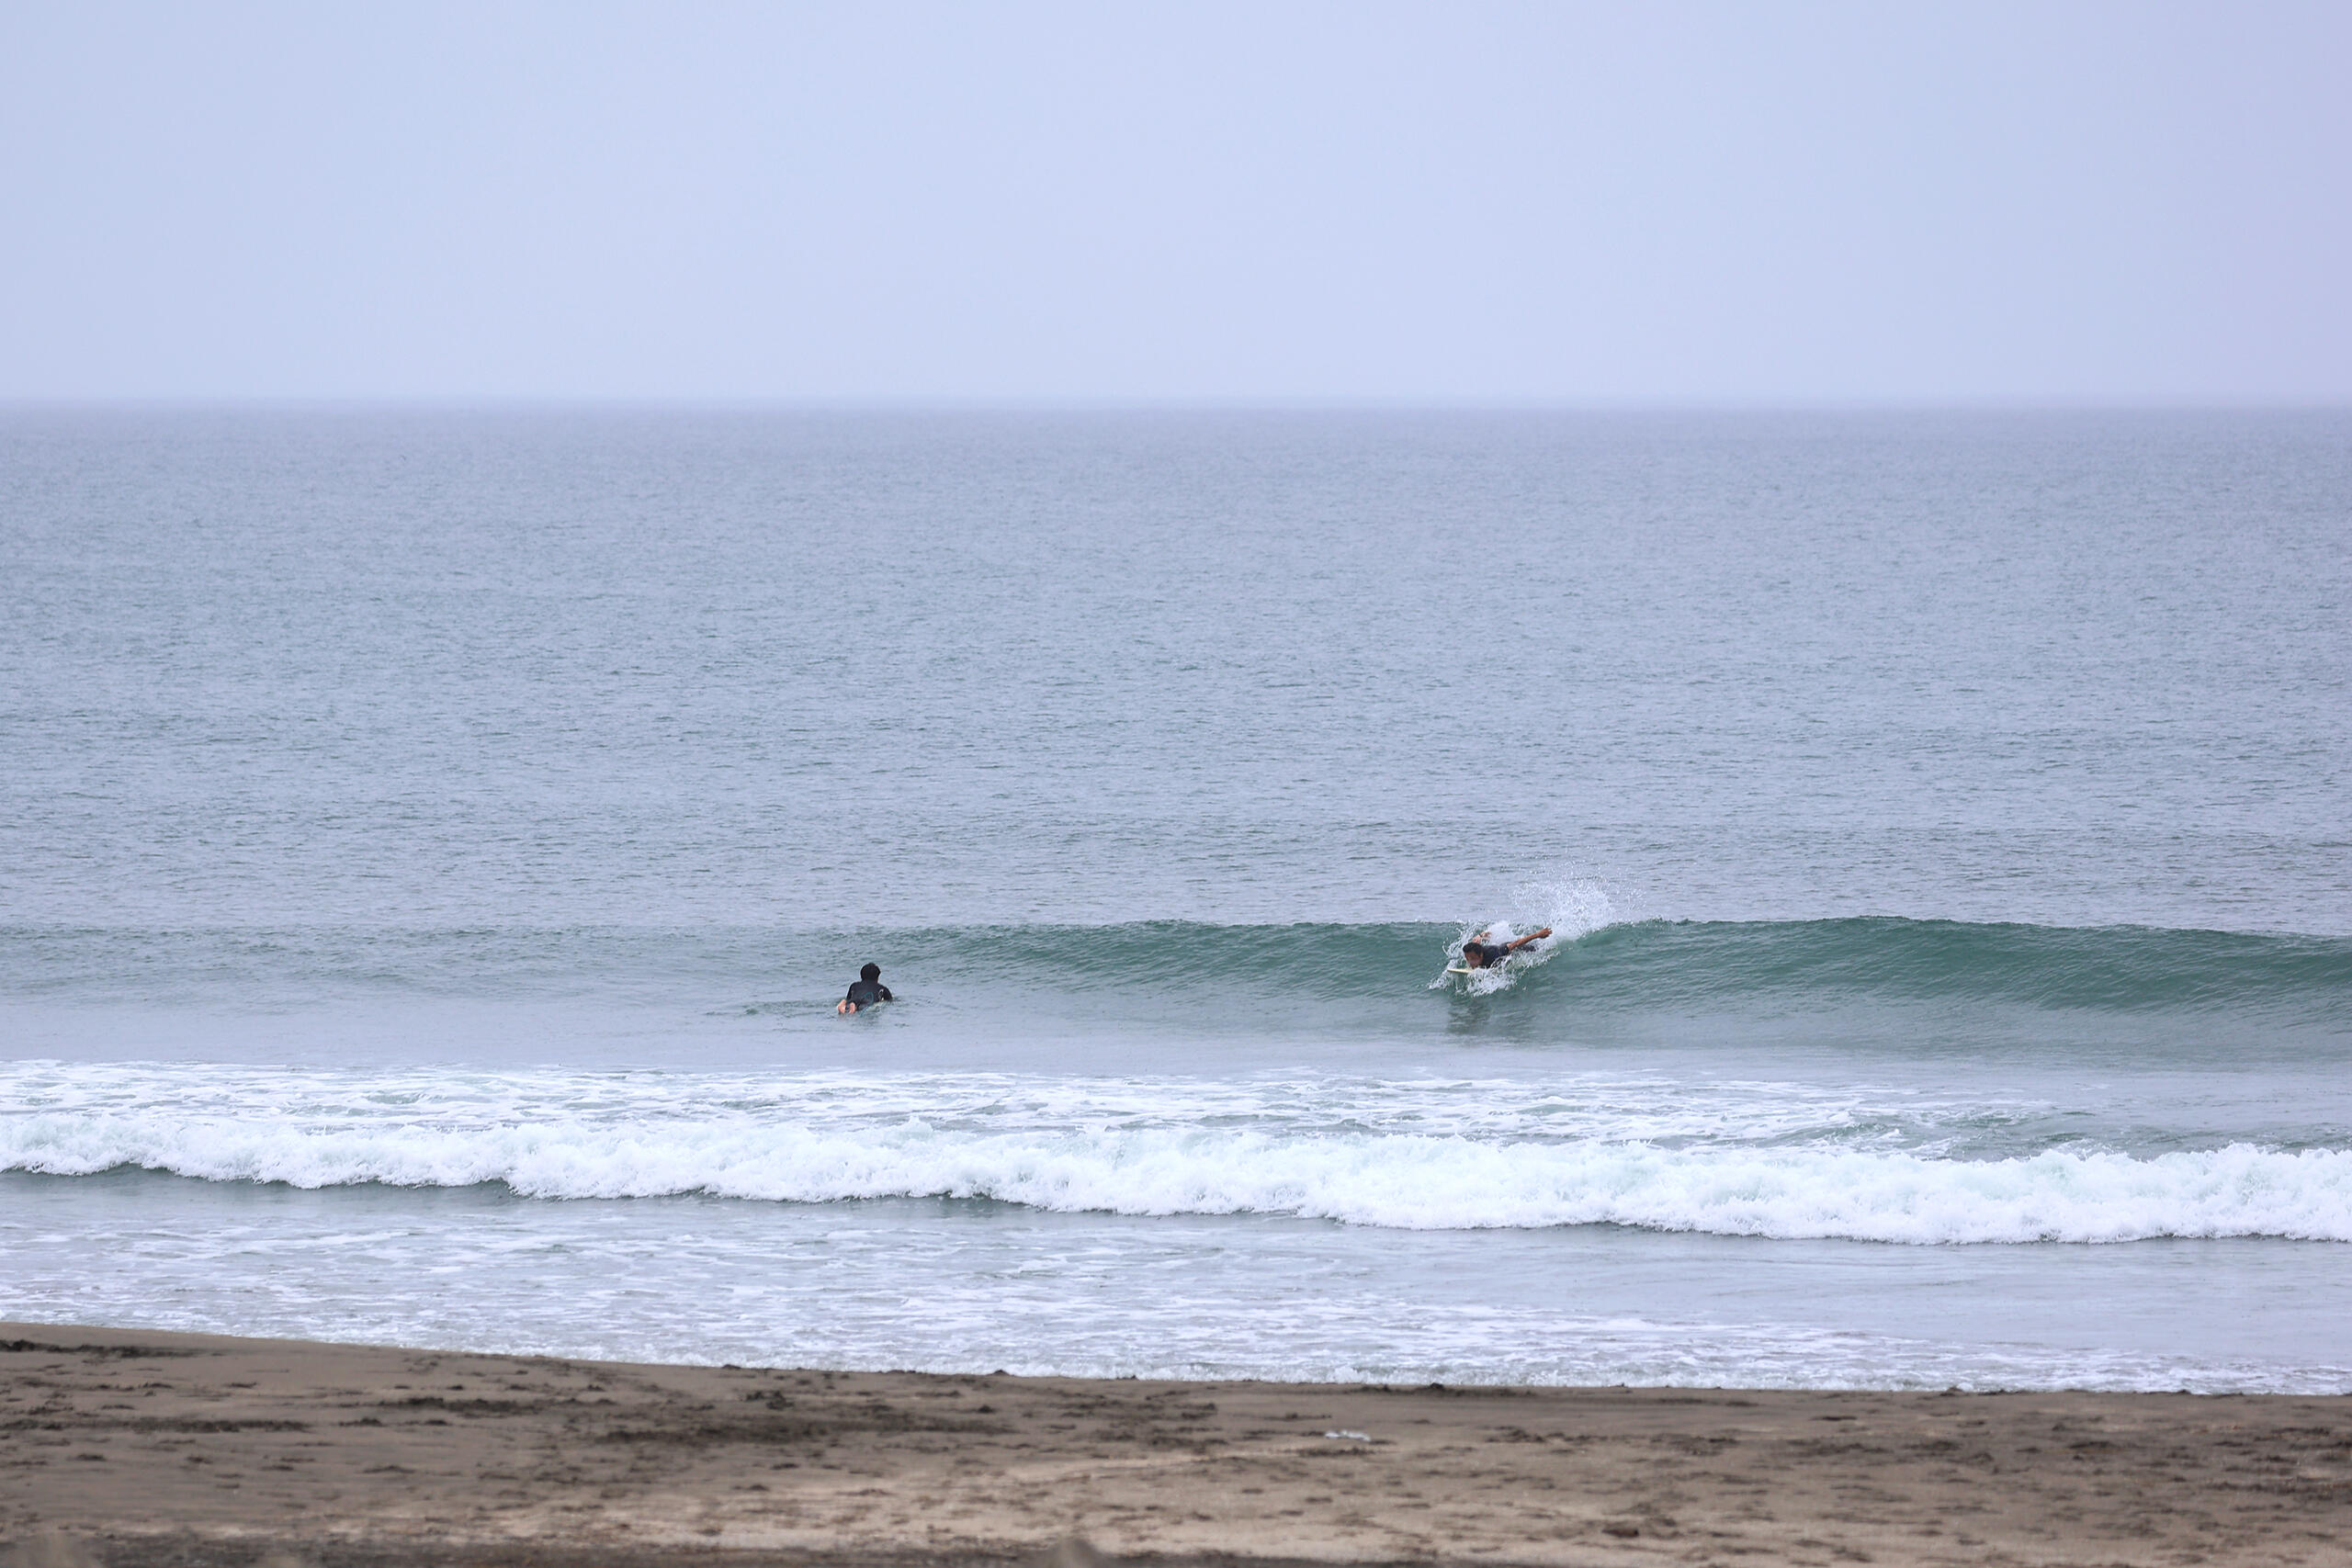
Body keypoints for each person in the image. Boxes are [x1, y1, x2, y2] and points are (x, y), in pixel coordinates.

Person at [1459, 928, 1552, 970]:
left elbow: (1516, 944)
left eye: (1473, 959)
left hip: (1519, 948)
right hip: (1500, 947)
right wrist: (1480, 935)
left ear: (1481, 955)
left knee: (1537, 948)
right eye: (1468, 959)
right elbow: (1479, 939)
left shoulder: (1494, 954)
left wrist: (1538, 935)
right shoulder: (1473, 950)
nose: (1470, 962)